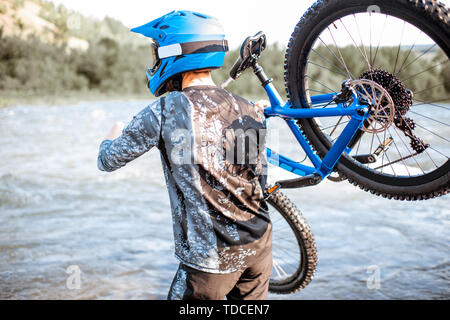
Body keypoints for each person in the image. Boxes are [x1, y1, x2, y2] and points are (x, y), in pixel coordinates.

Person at [97, 10, 272, 300]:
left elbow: (108, 160)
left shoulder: (166, 110)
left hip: (210, 264)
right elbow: (258, 178)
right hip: (259, 249)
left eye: (158, 53)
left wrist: (111, 135)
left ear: (175, 53)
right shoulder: (249, 107)